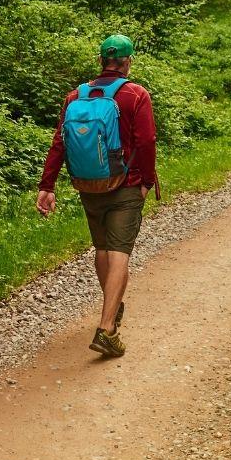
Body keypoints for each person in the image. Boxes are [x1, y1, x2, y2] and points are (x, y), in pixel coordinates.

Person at [37, 34, 159, 359]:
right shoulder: (135, 95)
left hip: (88, 185)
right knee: (119, 252)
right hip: (125, 185)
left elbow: (59, 143)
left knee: (103, 249)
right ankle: (106, 329)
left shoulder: (75, 96)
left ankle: (111, 308)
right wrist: (146, 182)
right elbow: (146, 141)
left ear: (101, 60)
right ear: (128, 61)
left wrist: (47, 186)